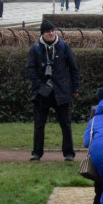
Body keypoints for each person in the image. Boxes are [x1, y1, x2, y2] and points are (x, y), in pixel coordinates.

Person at [26, 20, 80, 161]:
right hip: (42, 92)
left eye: (52, 31)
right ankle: (37, 153)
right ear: (42, 34)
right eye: (48, 32)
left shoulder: (63, 47)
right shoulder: (35, 49)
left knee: (65, 123)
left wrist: (75, 88)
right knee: (39, 124)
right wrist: (39, 85)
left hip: (61, 91)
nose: (51, 33)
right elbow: (30, 69)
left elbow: (74, 68)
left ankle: (69, 153)